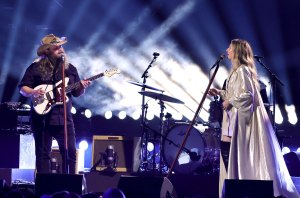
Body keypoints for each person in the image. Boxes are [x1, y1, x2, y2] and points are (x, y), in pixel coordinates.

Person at [208, 39, 299, 197]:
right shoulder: (236, 72)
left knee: (230, 150)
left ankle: (236, 187)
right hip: (231, 120)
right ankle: (232, 185)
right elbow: (235, 94)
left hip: (239, 121)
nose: (227, 50)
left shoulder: (243, 71)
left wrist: (230, 100)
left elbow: (247, 96)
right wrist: (221, 93)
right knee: (227, 150)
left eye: (230, 48)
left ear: (236, 51)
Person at [19, 34, 90, 174]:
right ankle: (44, 188)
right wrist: (33, 92)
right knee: (42, 155)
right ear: (47, 51)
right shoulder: (35, 67)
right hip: (42, 119)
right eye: (56, 47)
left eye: (61, 46)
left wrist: (82, 86)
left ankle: (69, 188)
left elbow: (76, 93)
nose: (61, 49)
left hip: (64, 119)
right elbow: (23, 88)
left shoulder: (70, 69)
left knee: (70, 153)